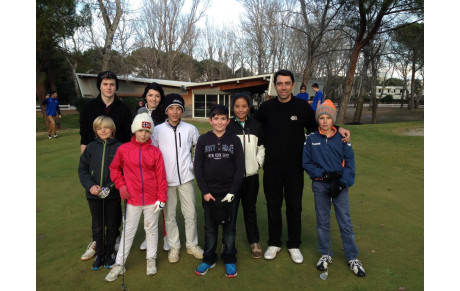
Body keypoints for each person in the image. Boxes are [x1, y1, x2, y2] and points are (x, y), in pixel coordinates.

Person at [253, 69, 350, 264]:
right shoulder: (266, 107)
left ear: (292, 85)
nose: (283, 87)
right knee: (273, 206)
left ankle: (294, 244)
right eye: (279, 83)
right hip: (271, 166)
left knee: (294, 207)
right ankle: (274, 243)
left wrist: (338, 128)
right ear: (275, 85)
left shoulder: (302, 107)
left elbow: (320, 125)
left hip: (295, 167)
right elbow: (252, 127)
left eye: (287, 83)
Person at [302, 100, 365, 277]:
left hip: (340, 186)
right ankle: (326, 254)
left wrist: (342, 183)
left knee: (345, 221)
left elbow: (350, 164)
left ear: (333, 119)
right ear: (318, 120)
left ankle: (352, 256)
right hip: (320, 185)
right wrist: (323, 175)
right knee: (322, 221)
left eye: (328, 117)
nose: (324, 121)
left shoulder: (343, 138)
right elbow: (306, 163)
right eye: (321, 117)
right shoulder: (312, 138)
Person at [105, 110, 168, 282]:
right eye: (141, 130)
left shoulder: (155, 152)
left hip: (152, 199)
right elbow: (114, 169)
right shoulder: (123, 149)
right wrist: (121, 186)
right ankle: (119, 263)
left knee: (151, 230)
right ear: (135, 130)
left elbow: (161, 177)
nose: (144, 134)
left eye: (147, 131)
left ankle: (151, 259)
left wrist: (162, 197)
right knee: (128, 231)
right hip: (132, 199)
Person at [79, 71, 132, 262]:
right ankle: (97, 243)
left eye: (112, 84)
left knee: (113, 211)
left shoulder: (124, 109)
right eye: (105, 84)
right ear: (99, 86)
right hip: (95, 171)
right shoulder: (89, 108)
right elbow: (85, 138)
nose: (109, 87)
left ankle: (113, 240)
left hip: (117, 167)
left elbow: (127, 140)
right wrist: (90, 169)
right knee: (97, 215)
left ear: (116, 86)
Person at [193, 104, 245, 278]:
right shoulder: (203, 140)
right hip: (209, 194)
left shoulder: (234, 140)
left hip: (230, 194)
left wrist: (233, 191)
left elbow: (240, 168)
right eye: (216, 118)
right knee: (210, 228)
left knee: (229, 229)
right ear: (210, 120)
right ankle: (209, 258)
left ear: (228, 121)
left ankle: (229, 258)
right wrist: (205, 191)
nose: (220, 122)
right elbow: (198, 168)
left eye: (223, 118)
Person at [151, 93, 203, 264]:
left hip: (186, 179)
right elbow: (153, 154)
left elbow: (199, 148)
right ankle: (174, 246)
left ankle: (192, 245)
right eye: (171, 108)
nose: (175, 112)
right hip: (166, 181)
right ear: (166, 111)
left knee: (191, 214)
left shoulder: (190, 129)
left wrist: (192, 164)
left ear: (182, 110)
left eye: (178, 108)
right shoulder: (157, 130)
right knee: (170, 216)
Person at [78, 116, 122, 270]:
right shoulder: (90, 147)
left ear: (112, 129)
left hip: (113, 194)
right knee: (97, 226)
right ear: (96, 131)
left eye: (106, 127)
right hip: (93, 195)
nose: (103, 130)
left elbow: (123, 172)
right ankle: (100, 254)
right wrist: (91, 186)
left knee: (111, 225)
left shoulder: (120, 147)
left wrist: (110, 187)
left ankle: (110, 253)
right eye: (99, 128)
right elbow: (82, 169)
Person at [227, 93, 265, 259]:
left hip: (251, 177)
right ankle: (227, 242)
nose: (240, 109)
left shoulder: (256, 125)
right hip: (232, 179)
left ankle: (254, 241)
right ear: (233, 108)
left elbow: (262, 147)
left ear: (249, 107)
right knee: (231, 211)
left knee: (250, 210)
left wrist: (257, 164)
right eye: (237, 106)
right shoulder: (228, 127)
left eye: (244, 106)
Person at [138, 82, 169, 253]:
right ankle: (148, 236)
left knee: (162, 200)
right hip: (144, 163)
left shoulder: (165, 115)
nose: (154, 99)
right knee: (148, 203)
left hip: (161, 161)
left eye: (157, 96)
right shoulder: (139, 114)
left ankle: (166, 236)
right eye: (150, 95)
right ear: (145, 96)